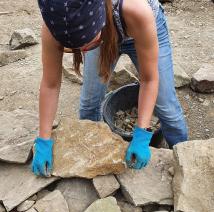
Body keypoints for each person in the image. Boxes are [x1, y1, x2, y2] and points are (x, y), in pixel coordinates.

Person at [31, 0, 188, 177]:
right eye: (75, 47)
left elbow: (149, 79)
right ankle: (93, 159)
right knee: (89, 105)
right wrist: (43, 139)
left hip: (139, 25)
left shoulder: (137, 10)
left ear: (98, 21)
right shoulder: (57, 22)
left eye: (87, 46)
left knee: (167, 109)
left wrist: (142, 133)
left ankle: (184, 161)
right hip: (99, 31)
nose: (83, 51)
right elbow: (50, 85)